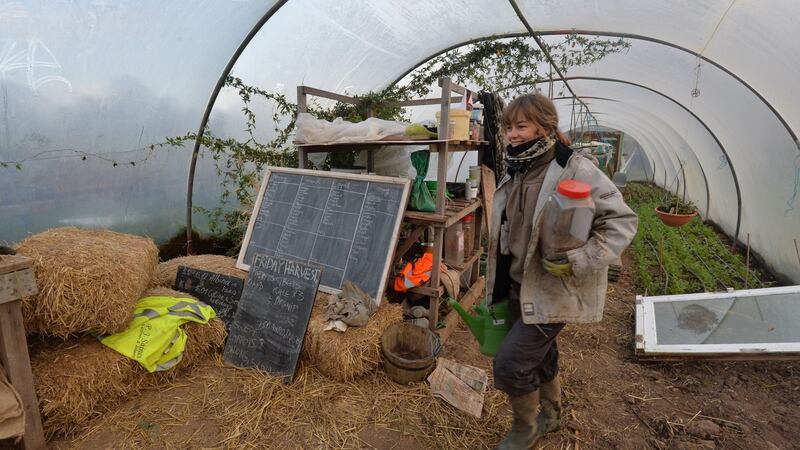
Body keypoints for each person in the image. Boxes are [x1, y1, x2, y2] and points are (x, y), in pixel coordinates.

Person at [487, 93, 638, 449]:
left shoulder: (574, 168)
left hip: (552, 286)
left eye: (520, 126)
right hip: (518, 282)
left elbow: (622, 221)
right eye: (508, 127)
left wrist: (580, 258)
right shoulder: (518, 166)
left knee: (510, 365)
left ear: (545, 125)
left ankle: (526, 430)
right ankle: (552, 414)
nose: (512, 134)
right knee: (540, 353)